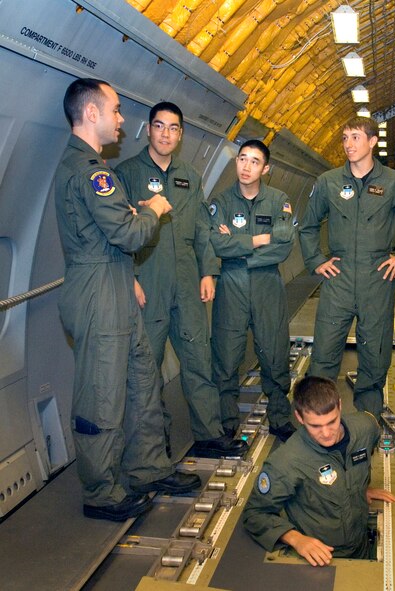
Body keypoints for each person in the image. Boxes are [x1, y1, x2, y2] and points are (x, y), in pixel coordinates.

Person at [54, 79, 201, 521]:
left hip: (117, 284)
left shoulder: (95, 167)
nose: (121, 120)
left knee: (142, 382)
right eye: (116, 111)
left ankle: (148, 467)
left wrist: (133, 239)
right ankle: (101, 491)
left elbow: (112, 231)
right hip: (98, 292)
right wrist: (154, 209)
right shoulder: (90, 172)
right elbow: (126, 232)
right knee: (102, 393)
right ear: (92, 114)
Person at [115, 102, 247, 459]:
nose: (166, 134)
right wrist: (130, 278)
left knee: (198, 360)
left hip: (187, 282)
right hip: (149, 280)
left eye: (174, 128)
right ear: (148, 129)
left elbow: (203, 229)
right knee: (147, 369)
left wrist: (209, 271)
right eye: (160, 126)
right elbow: (116, 233)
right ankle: (155, 443)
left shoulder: (190, 175)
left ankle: (208, 433)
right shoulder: (126, 173)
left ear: (181, 134)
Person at [299, 117, 395, 417]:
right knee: (325, 352)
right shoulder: (328, 182)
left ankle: (368, 417)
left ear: (372, 142)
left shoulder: (394, 183)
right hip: (339, 278)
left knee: (375, 351)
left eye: (355, 137)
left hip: (377, 277)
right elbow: (307, 226)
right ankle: (319, 418)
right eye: (345, 138)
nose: (348, 144)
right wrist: (317, 261)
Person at [242, 375, 395, 565]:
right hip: (320, 559)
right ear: (299, 417)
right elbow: (255, 514)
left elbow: (364, 454)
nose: (326, 433)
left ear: (340, 406)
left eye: (332, 422)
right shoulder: (286, 462)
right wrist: (296, 539)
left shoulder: (366, 426)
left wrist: (359, 487)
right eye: (315, 425)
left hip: (361, 544)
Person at [208, 140, 297, 441]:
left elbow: (283, 247)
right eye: (242, 159)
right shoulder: (221, 202)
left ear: (266, 168)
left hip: (266, 284)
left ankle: (280, 416)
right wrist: (258, 239)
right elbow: (216, 244)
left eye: (254, 161)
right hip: (231, 286)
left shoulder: (278, 200)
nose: (246, 167)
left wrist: (237, 246)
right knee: (227, 353)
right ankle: (227, 419)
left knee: (274, 350)